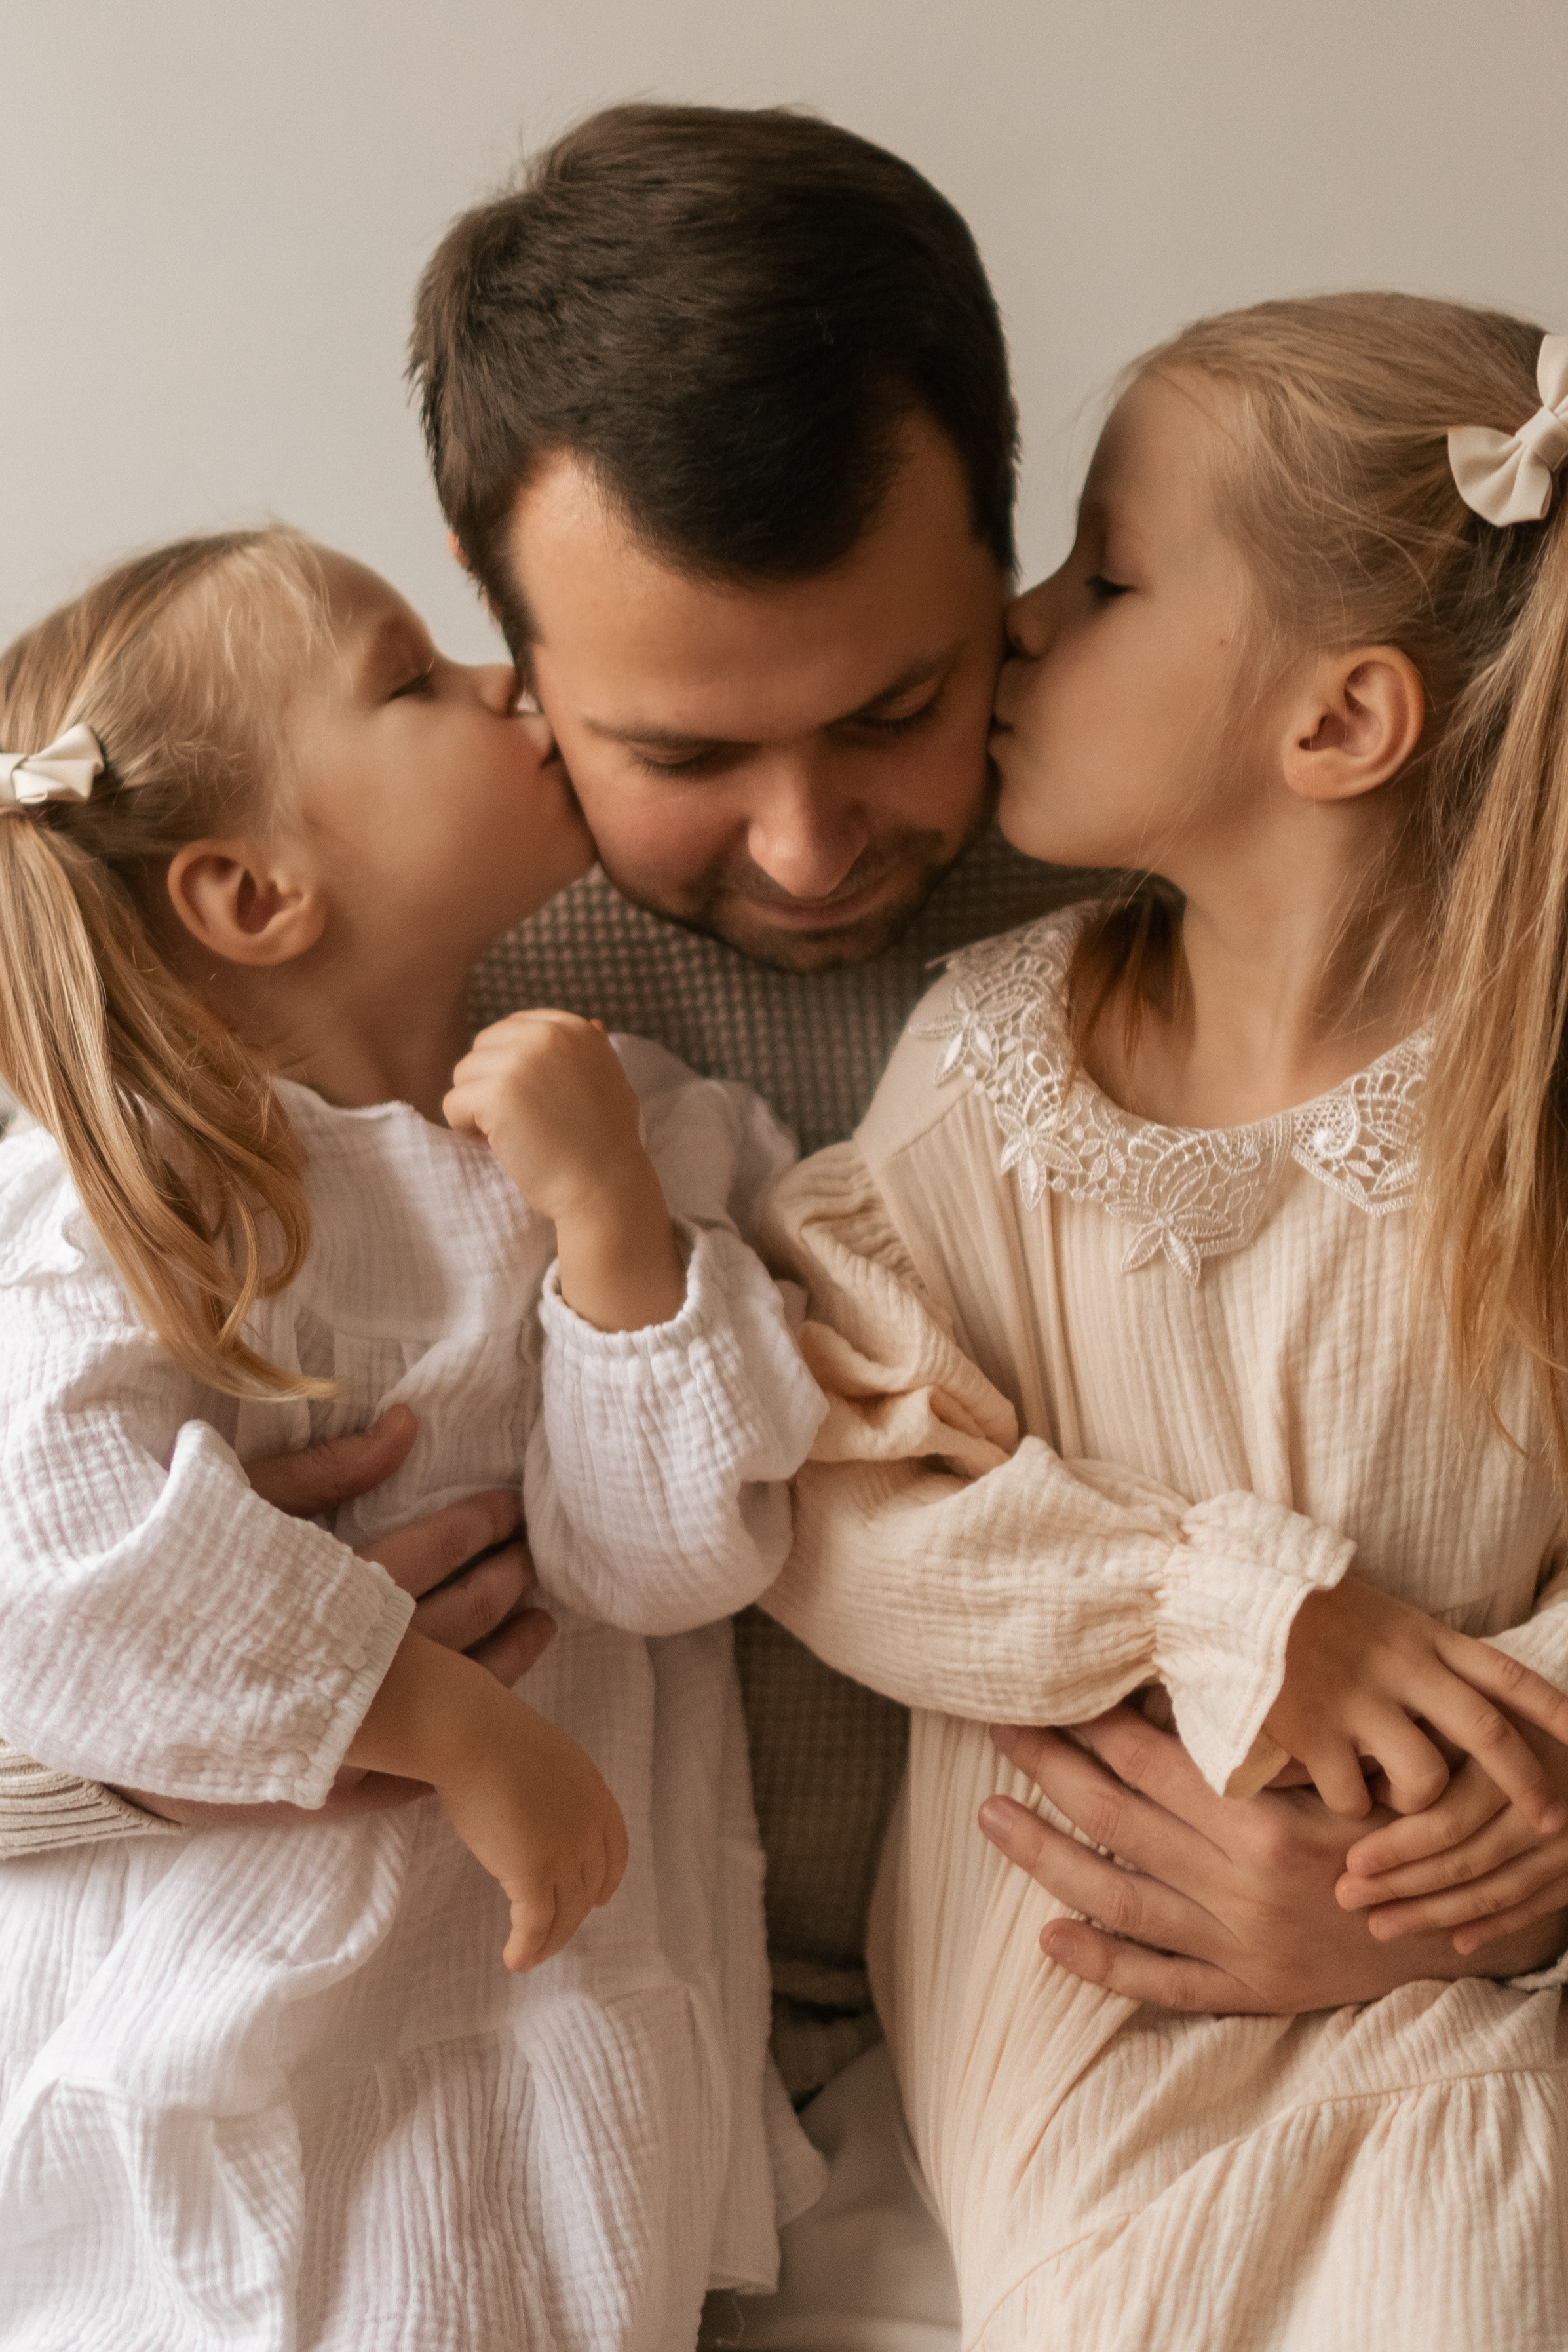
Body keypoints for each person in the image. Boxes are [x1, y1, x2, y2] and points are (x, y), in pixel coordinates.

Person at [7, 102, 1567, 2342]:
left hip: (1158, 2090)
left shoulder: (1203, 855)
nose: (811, 845)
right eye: (678, 755)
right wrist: (218, 1714)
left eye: (898, 707)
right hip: (545, 2127)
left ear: (1007, 566)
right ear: (507, 645)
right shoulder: (322, 1004)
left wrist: (1480, 1886)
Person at [757, 293, 1568, 2344]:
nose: (1018, 625)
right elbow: (835, 1489)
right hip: (1081, 2040)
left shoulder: (1526, 1118)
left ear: (1340, 723)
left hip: (1458, 2011)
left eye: (1103, 578)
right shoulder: (990, 1072)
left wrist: (1496, 1840)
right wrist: (1224, 1610)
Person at [0, 529, 829, 2349]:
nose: (502, 678)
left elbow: (672, 1562)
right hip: (233, 2017)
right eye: (411, 677)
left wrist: (609, 1219)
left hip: (556, 2018)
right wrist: (443, 1721)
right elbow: (47, 1556)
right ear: (253, 893)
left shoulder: (644, 1122)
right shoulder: (143, 1187)